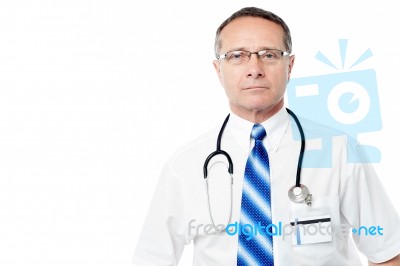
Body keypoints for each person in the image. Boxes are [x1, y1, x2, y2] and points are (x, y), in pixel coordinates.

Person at [133, 7, 400, 266]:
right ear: (218, 70)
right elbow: (153, 259)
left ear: (290, 65)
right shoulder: (185, 165)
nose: (255, 68)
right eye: (237, 56)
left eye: (269, 55)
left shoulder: (340, 151)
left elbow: (387, 252)